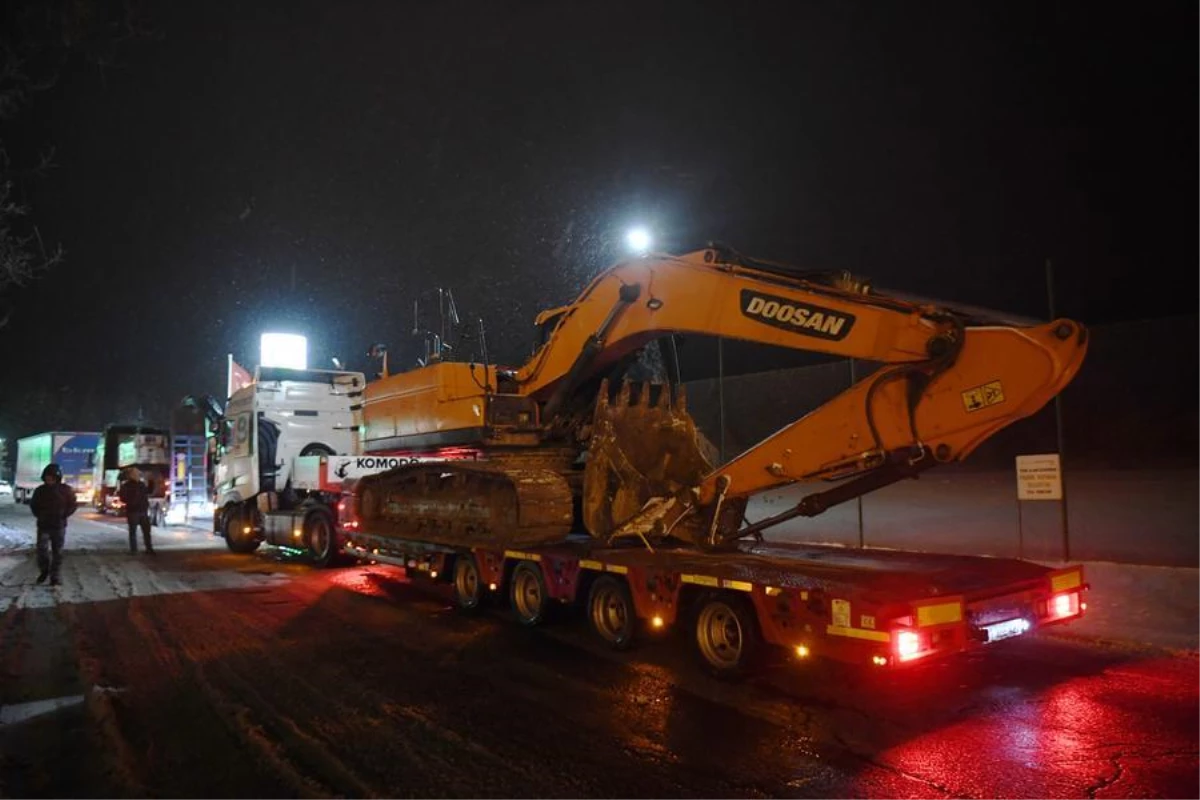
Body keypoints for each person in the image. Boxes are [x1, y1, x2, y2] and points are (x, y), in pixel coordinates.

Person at [30, 462, 78, 586]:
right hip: (44, 526)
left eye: (51, 477)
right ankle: (44, 570)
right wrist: (40, 516)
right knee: (42, 550)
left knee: (58, 552)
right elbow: (34, 505)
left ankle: (55, 576)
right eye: (47, 477)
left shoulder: (65, 490)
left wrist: (64, 514)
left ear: (57, 478)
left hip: (59, 526)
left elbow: (73, 504)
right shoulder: (40, 490)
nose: (49, 479)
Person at [117, 467, 155, 555]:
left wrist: (151, 482)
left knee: (146, 531)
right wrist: (132, 501)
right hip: (133, 511)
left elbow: (149, 491)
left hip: (142, 511)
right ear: (132, 475)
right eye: (136, 474)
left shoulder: (141, 485)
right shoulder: (126, 486)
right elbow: (122, 498)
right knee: (133, 532)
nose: (138, 475)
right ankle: (134, 550)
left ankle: (148, 549)